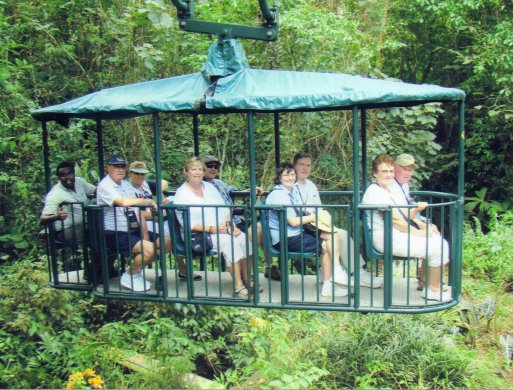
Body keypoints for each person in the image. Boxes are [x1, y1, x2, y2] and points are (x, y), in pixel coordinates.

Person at [361, 154, 451, 301]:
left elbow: (404, 215)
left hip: (394, 235)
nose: (388, 175)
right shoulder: (375, 192)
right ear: (375, 173)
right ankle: (433, 290)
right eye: (384, 172)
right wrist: (421, 233)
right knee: (437, 246)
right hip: (385, 238)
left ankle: (429, 284)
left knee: (437, 241)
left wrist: (417, 210)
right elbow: (395, 221)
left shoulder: (387, 190)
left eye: (390, 171)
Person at [293, 152, 382, 288]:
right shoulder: (290, 186)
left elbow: (319, 209)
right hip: (301, 228)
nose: (305, 168)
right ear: (294, 166)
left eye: (308, 165)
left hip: (315, 225)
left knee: (342, 234)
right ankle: (353, 273)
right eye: (301, 165)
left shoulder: (311, 185)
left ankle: (353, 273)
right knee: (339, 236)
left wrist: (325, 224)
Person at [174, 157, 257, 299]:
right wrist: (213, 229)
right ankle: (238, 286)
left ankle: (247, 278)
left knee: (243, 238)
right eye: (193, 169)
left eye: (200, 169)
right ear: (186, 172)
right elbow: (187, 224)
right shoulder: (181, 194)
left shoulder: (210, 188)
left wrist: (232, 226)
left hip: (221, 228)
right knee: (228, 242)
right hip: (197, 234)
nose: (197, 172)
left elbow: (224, 209)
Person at [265, 163, 348, 297]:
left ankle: (337, 271)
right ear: (279, 177)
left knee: (331, 234)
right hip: (286, 238)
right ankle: (329, 285)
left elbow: (302, 212)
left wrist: (316, 218)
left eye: (292, 174)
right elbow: (292, 221)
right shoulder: (278, 195)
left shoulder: (291, 192)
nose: (290, 177)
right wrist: (314, 216)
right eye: (286, 174)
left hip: (297, 232)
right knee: (326, 245)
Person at [202, 155, 277, 279]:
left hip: (236, 219)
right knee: (254, 233)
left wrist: (251, 190)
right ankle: (247, 274)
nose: (213, 168)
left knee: (262, 228)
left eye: (216, 166)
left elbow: (236, 193)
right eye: (209, 165)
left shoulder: (219, 183)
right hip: (221, 223)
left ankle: (270, 266)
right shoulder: (201, 186)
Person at [96, 154, 157, 292]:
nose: (120, 170)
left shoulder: (126, 185)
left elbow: (138, 208)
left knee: (166, 243)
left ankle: (136, 273)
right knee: (150, 249)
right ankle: (130, 275)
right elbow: (123, 202)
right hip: (114, 232)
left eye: (122, 167)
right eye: (116, 166)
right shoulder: (105, 185)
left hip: (132, 229)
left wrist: (145, 235)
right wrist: (148, 201)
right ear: (108, 167)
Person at [40, 161, 96, 244]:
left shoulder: (79, 182)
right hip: (65, 230)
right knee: (95, 234)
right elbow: (42, 219)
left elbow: (96, 190)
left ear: (74, 173)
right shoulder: (55, 194)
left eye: (70, 173)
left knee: (102, 229)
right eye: (63, 175)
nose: (67, 177)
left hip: (83, 225)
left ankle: (101, 255)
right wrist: (56, 216)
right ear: (58, 177)